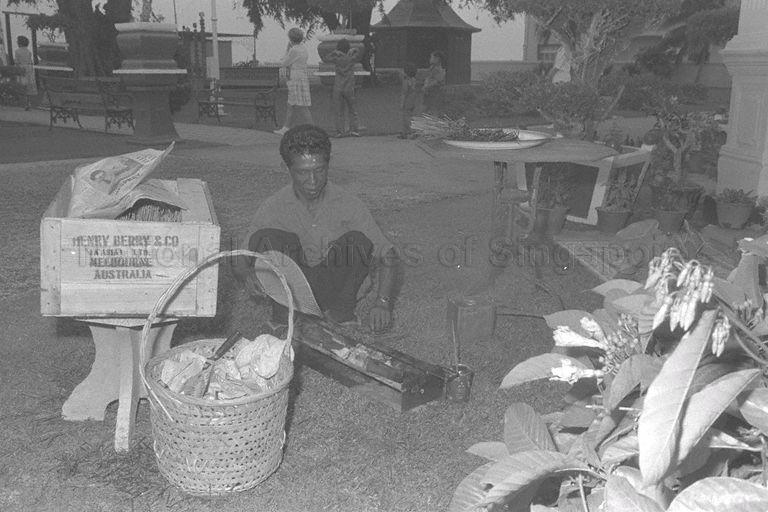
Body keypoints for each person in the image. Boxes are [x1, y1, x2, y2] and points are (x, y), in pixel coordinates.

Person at [239, 125, 397, 332]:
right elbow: (240, 256)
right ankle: (285, 316)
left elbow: (388, 255)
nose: (312, 181)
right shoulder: (274, 205)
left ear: (328, 165)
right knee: (264, 238)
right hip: (292, 291)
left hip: (336, 288)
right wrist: (248, 274)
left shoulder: (348, 203)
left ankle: (341, 314)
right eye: (303, 172)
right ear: (287, 168)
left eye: (319, 170)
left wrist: (383, 303)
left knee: (358, 241)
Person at [275, 28, 312, 136]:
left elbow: (284, 62)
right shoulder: (303, 49)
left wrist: (287, 49)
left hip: (296, 78)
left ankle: (312, 128)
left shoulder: (294, 50)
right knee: (291, 104)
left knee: (301, 106)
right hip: (302, 77)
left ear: (291, 38)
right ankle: (286, 127)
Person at [325, 39, 361, 138]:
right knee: (352, 109)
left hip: (338, 86)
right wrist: (353, 49)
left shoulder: (337, 59)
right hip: (349, 86)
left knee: (338, 111)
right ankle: (354, 130)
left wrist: (334, 52)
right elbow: (358, 52)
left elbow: (326, 58)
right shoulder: (351, 59)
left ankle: (339, 131)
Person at [13, 36, 37, 110]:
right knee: (29, 87)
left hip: (21, 69)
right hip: (29, 69)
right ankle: (29, 103)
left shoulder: (17, 51)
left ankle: (24, 103)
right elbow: (30, 61)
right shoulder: (28, 51)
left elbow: (17, 62)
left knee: (22, 86)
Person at [422, 51, 446, 115]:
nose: (430, 59)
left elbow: (437, 81)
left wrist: (427, 86)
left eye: (431, 57)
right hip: (428, 92)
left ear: (437, 59)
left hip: (434, 93)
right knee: (426, 109)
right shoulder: (432, 68)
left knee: (432, 110)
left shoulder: (439, 70)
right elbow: (428, 78)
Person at [399, 62, 418, 139]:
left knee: (406, 117)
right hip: (412, 100)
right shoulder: (413, 80)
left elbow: (404, 93)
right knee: (408, 116)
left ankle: (412, 131)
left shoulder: (406, 81)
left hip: (407, 101)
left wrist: (402, 103)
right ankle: (404, 133)